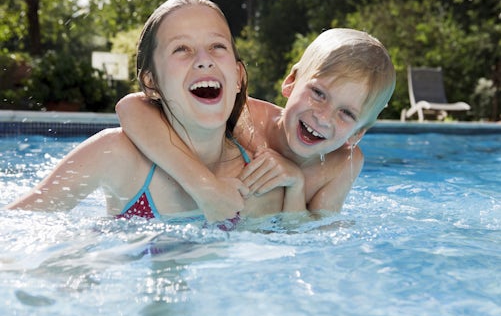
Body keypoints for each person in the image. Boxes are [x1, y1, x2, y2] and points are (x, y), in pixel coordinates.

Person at [5, 0, 283, 224]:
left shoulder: (258, 181)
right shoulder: (116, 156)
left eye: (217, 46)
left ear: (238, 76)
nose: (203, 60)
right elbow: (18, 225)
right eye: (181, 49)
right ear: (151, 82)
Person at [116, 28, 396, 221]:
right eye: (318, 94)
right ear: (291, 82)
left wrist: (295, 184)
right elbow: (130, 108)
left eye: (346, 113)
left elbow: (310, 234)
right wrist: (202, 185)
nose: (322, 117)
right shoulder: (245, 115)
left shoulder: (343, 164)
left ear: (358, 133)